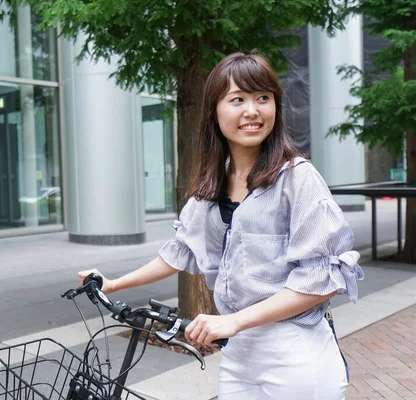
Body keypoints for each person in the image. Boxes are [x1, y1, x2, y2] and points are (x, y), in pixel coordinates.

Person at [78, 51, 364, 400]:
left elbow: (322, 280)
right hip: (237, 354)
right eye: (238, 99)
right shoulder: (213, 183)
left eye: (263, 98)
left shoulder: (297, 178)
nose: (252, 111)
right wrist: (114, 284)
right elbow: (180, 250)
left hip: (294, 351)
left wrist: (234, 321)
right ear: (215, 110)